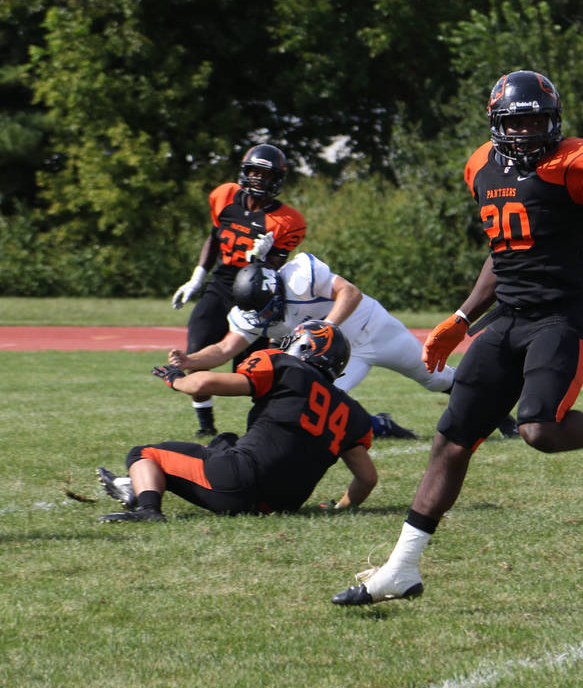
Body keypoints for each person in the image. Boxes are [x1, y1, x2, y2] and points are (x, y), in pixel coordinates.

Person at [330, 70, 583, 605]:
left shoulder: (576, 160)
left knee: (538, 431)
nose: (527, 131)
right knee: (450, 440)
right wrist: (461, 318)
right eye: (516, 121)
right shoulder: (481, 163)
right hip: (507, 315)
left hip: (560, 316)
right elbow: (504, 250)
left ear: (552, 122)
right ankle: (401, 568)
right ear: (498, 124)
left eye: (536, 121)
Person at [165, 254, 495, 441]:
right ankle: (381, 426)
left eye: (268, 307)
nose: (265, 317)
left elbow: (349, 293)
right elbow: (224, 349)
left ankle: (497, 414)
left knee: (435, 378)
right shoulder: (254, 311)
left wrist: (325, 328)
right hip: (337, 357)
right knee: (316, 403)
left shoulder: (299, 275)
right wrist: (189, 358)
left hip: (374, 329)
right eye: (259, 312)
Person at [96, 321, 377, 522]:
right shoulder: (354, 414)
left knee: (143, 454)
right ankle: (134, 486)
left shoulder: (283, 365)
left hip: (235, 483)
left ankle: (147, 508)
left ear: (301, 345)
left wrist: (177, 380)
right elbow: (367, 479)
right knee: (225, 440)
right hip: (281, 504)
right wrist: (340, 508)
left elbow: (203, 382)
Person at [170, 145, 307, 438]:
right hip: (221, 283)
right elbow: (214, 236)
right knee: (196, 350)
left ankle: (261, 428)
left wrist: (263, 257)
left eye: (267, 174)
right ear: (245, 172)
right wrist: (197, 276)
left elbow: (273, 268)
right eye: (255, 172)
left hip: (256, 292)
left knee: (255, 370)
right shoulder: (224, 196)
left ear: (278, 179)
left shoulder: (288, 220)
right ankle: (205, 426)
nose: (259, 179)